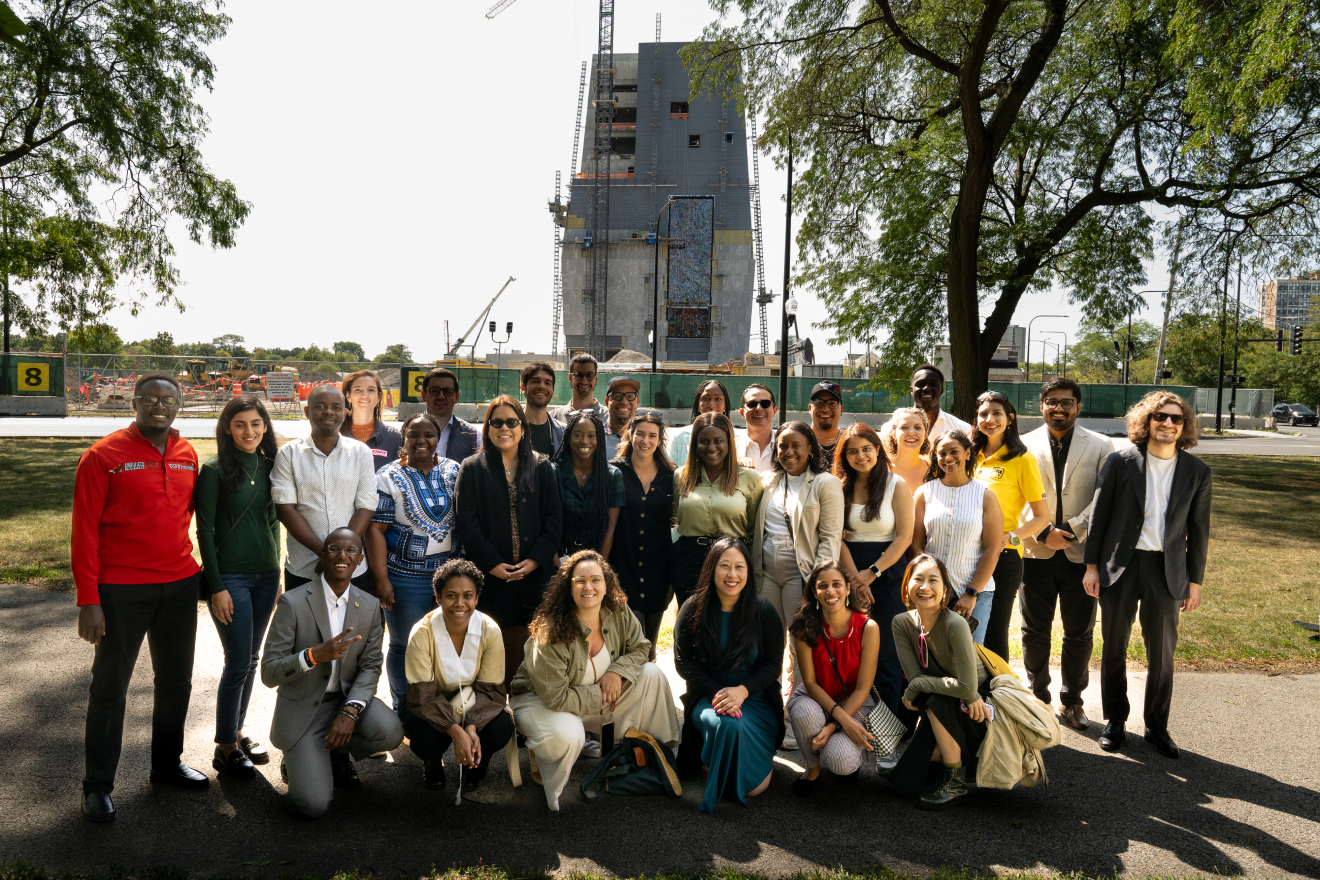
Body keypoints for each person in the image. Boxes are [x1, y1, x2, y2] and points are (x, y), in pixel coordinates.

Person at [73, 374, 208, 822]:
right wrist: (88, 599)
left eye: (167, 400)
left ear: (178, 405)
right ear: (133, 402)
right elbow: (84, 532)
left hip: (180, 583)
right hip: (120, 590)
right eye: (149, 399)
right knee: (110, 689)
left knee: (176, 681)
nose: (158, 406)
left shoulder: (187, 452)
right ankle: (97, 786)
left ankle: (166, 765)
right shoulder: (102, 456)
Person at [1085, 391, 1212, 759]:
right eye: (1160, 417)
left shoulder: (1197, 472)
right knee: (1114, 647)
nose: (1168, 424)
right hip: (1120, 568)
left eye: (1176, 419)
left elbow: (1199, 530)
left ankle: (1157, 726)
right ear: (1147, 420)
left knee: (1162, 653)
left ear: (1184, 426)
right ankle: (1115, 721)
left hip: (1167, 571)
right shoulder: (1118, 462)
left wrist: (1195, 582)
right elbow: (1098, 519)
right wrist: (1092, 567)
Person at [510, 551, 681, 811]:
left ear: (606, 585)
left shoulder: (618, 610)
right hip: (541, 702)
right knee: (568, 735)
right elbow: (555, 697)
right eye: (580, 580)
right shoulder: (549, 631)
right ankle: (542, 750)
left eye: (595, 580)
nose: (588, 587)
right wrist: (601, 693)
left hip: (592, 697)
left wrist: (617, 672)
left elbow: (640, 647)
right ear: (568, 587)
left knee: (651, 675)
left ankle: (653, 757)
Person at [260, 529, 404, 818]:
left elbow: (371, 666)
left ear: (360, 560)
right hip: (305, 712)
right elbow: (268, 673)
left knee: (390, 732)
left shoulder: (370, 606)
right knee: (312, 806)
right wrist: (312, 656)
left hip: (344, 704)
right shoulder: (293, 602)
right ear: (323, 557)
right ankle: (301, 755)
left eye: (350, 550)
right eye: (334, 549)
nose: (342, 555)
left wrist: (351, 711)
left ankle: (335, 752)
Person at [196, 394, 281, 779]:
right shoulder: (214, 470)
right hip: (231, 578)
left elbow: (273, 522)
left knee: (250, 659)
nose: (249, 431)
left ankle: (238, 730)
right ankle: (224, 746)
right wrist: (216, 586)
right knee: (235, 663)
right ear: (227, 428)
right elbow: (205, 529)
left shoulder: (270, 466)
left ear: (265, 427)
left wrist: (277, 575)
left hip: (266, 577)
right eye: (241, 424)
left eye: (256, 424)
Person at [1020, 378, 1110, 731]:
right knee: (1034, 629)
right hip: (1035, 552)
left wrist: (1071, 530)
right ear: (1041, 406)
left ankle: (1072, 701)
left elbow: (1104, 496)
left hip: (1081, 553)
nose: (1059, 408)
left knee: (1079, 632)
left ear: (1078, 406)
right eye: (1052, 401)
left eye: (1066, 402)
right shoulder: (1022, 445)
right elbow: (1011, 496)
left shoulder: (1102, 446)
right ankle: (1038, 699)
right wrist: (1043, 531)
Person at [455, 395, 563, 688]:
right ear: (487, 428)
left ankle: (528, 716)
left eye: (512, 422)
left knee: (532, 654)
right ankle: (494, 718)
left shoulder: (541, 466)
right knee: (492, 654)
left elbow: (554, 519)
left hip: (535, 577)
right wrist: (491, 564)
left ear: (523, 428)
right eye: (497, 422)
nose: (505, 428)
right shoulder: (472, 467)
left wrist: (535, 559)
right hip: (491, 579)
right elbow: (468, 523)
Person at [674, 537, 785, 813]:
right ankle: (712, 758)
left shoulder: (764, 611)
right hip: (709, 695)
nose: (732, 574)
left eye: (739, 566)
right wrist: (718, 692)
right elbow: (683, 662)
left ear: (748, 571)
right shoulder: (692, 608)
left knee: (756, 789)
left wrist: (743, 691)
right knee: (727, 723)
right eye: (724, 566)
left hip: (756, 699)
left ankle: (714, 762)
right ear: (711, 569)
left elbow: (773, 665)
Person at [367, 412, 463, 710]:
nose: (421, 441)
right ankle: (402, 708)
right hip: (405, 578)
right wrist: (382, 580)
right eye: (414, 435)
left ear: (438, 438)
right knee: (403, 645)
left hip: (449, 577)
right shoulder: (387, 476)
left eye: (429, 435)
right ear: (403, 439)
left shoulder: (454, 471)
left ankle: (440, 709)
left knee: (445, 644)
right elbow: (376, 529)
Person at [887, 554, 991, 809]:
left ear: (945, 590)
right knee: (907, 783)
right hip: (943, 695)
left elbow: (967, 687)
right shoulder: (902, 622)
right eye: (918, 579)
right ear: (906, 586)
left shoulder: (956, 624)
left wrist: (916, 688)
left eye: (933, 580)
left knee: (933, 698)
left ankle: (955, 779)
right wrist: (916, 687)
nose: (925, 587)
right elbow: (915, 678)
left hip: (978, 706)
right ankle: (952, 760)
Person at [401, 558, 514, 792]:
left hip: (475, 701)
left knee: (501, 727)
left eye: (468, 596)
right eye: (451, 595)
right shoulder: (422, 633)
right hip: (429, 703)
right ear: (438, 596)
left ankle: (477, 765)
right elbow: (422, 696)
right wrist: (455, 730)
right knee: (424, 739)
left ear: (477, 598)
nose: (460, 603)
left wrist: (471, 728)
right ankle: (432, 762)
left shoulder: (489, 629)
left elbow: (491, 691)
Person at [834, 422, 914, 721]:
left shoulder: (896, 484)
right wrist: (855, 579)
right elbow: (836, 536)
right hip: (847, 573)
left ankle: (887, 733)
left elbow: (905, 537)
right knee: (849, 651)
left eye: (866, 449)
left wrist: (873, 572)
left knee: (887, 657)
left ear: (878, 450)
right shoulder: (838, 487)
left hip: (889, 573)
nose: (860, 456)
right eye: (852, 451)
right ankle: (850, 722)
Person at [786, 560, 880, 794]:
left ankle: (845, 759)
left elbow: (863, 688)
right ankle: (812, 768)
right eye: (822, 586)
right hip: (815, 697)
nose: (830, 591)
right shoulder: (803, 627)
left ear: (848, 588)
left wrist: (833, 725)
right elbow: (809, 683)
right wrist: (838, 720)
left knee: (841, 762)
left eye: (837, 584)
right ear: (814, 592)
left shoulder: (868, 627)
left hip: (854, 701)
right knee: (804, 711)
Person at [271, 384, 377, 591]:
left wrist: (342, 554)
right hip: (304, 567)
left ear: (345, 414)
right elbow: (285, 509)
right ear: (307, 412)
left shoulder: (360, 453)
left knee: (353, 624)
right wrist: (325, 554)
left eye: (336, 407)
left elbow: (366, 505)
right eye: (320, 406)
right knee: (304, 624)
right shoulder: (288, 454)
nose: (329, 411)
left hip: (352, 569)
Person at [971, 390, 1049, 661]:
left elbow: (1042, 517)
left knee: (993, 634)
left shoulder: (1022, 460)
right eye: (983, 414)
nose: (989, 419)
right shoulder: (969, 456)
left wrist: (1011, 539)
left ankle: (998, 698)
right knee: (964, 630)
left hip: (1002, 560)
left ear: (1010, 419)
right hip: (966, 554)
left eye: (997, 413)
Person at [751, 420, 845, 637]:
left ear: (810, 448)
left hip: (800, 570)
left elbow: (830, 537)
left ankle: (799, 673)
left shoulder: (826, 483)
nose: (788, 451)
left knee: (801, 637)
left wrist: (819, 579)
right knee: (767, 637)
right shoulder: (769, 480)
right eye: (783, 446)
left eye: (796, 445)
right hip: (765, 571)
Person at [911, 431, 1002, 644]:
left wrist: (971, 594)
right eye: (942, 453)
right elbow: (916, 545)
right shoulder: (924, 493)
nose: (948, 458)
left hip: (975, 593)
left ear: (968, 453)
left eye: (954, 452)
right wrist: (923, 586)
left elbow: (992, 549)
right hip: (931, 592)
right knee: (932, 657)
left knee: (969, 661)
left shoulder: (985, 495)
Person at [671, 412, 765, 609]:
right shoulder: (681, 477)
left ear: (729, 443)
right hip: (688, 559)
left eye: (718, 441)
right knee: (690, 621)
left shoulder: (749, 478)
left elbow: (753, 530)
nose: (711, 447)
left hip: (731, 559)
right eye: (704, 441)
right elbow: (673, 519)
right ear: (695, 444)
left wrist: (748, 567)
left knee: (728, 620)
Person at [608, 409, 677, 659]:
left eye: (652, 436)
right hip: (623, 568)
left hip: (659, 571)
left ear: (659, 440)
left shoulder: (672, 476)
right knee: (631, 646)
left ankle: (649, 695)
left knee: (650, 648)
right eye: (640, 434)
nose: (645, 441)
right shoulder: (614, 471)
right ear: (630, 435)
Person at [551, 410, 625, 558]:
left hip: (597, 555)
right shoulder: (554, 472)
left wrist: (599, 565)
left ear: (599, 439)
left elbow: (610, 530)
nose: (585, 441)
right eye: (577, 435)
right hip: (560, 556)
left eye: (591, 436)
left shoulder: (612, 476)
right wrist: (557, 566)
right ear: (568, 438)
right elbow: (547, 525)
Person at [340, 369, 402, 472]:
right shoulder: (336, 435)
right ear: (348, 396)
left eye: (371, 390)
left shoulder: (394, 438)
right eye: (358, 390)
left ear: (379, 397)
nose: (364, 395)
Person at [668, 379, 738, 465]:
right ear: (698, 404)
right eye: (705, 399)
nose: (712, 404)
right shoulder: (678, 437)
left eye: (718, 399)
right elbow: (671, 473)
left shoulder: (739, 438)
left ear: (725, 404)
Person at [421, 367, 482, 464]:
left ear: (456, 397)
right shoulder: (404, 433)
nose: (441, 396)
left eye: (448, 391)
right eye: (434, 390)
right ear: (424, 395)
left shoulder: (474, 437)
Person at [910, 364, 971, 438]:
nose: (926, 388)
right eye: (920, 384)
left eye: (933, 384)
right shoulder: (894, 427)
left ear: (941, 391)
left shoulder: (963, 429)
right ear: (912, 390)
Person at [521, 361, 566, 457]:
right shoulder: (509, 428)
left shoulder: (563, 433)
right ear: (523, 388)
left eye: (547, 383)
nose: (541, 386)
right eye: (535, 381)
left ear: (552, 391)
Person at [880, 406, 931, 489]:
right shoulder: (880, 468)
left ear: (925, 434)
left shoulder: (934, 471)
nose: (911, 432)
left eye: (917, 427)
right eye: (904, 427)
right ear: (894, 434)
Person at [549, 352, 607, 423]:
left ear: (596, 379)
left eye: (589, 375)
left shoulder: (608, 417)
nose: (584, 381)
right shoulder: (554, 418)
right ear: (570, 378)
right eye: (578, 375)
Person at [738, 383, 778, 474]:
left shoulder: (787, 447)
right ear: (742, 413)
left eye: (765, 403)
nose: (759, 408)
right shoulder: (729, 448)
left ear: (774, 411)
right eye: (752, 404)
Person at [807, 382, 844, 470]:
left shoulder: (850, 441)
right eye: (818, 402)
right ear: (809, 408)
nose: (825, 409)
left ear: (841, 409)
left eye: (832, 403)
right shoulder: (799, 440)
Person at [603, 376, 640, 459]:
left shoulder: (646, 439)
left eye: (630, 396)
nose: (624, 402)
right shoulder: (595, 437)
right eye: (617, 396)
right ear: (607, 401)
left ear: (637, 402)